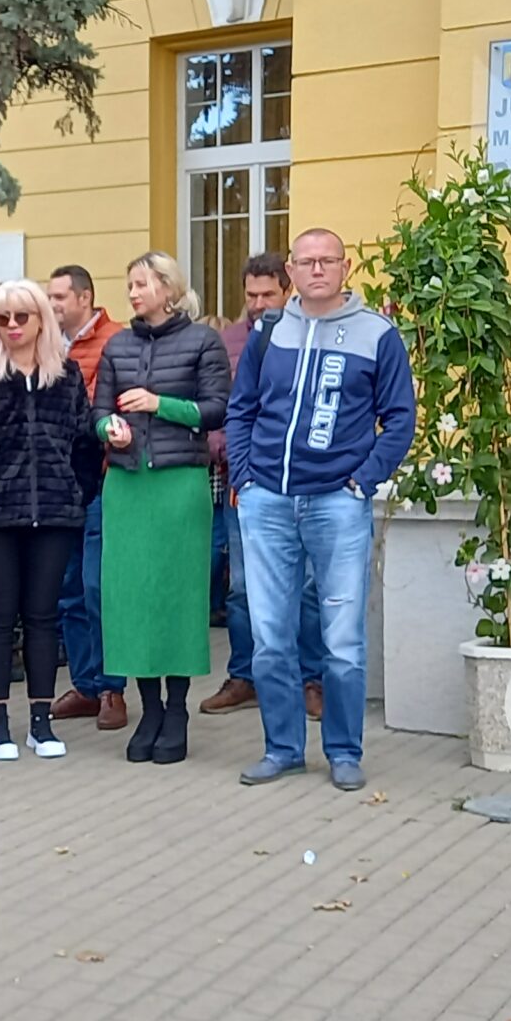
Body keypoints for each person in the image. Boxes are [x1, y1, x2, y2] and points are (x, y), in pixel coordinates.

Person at [228, 228, 416, 789]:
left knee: (342, 642)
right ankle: (283, 749)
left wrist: (363, 480)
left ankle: (344, 752)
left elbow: (399, 419)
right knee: (270, 638)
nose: (316, 270)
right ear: (290, 270)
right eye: (306, 262)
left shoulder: (377, 335)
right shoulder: (268, 331)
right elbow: (242, 408)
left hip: (338, 502)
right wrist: (244, 476)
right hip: (267, 500)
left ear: (345, 266)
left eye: (326, 261)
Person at [0, 279, 99, 762]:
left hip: (54, 513)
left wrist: (76, 492)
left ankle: (40, 721)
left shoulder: (65, 375)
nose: (12, 326)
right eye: (2, 318)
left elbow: (85, 442)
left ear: (40, 320)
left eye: (21, 316)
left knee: (42, 617)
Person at [93, 251, 229, 765]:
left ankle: (176, 711)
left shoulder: (203, 341)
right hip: (128, 485)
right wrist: (109, 428)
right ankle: (148, 708)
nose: (133, 293)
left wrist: (159, 404)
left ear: (169, 289)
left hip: (179, 485)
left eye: (142, 284)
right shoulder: (117, 345)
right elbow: (97, 410)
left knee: (176, 597)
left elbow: (217, 409)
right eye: (130, 284)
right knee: (131, 599)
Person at [202, 251, 326, 721]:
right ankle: (244, 677)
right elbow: (219, 406)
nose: (257, 304)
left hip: (307, 482)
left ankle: (310, 680)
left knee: (309, 586)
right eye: (250, 295)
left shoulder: (312, 333)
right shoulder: (230, 341)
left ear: (287, 290)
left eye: (267, 294)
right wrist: (231, 458)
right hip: (247, 484)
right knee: (241, 589)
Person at [44, 264, 127, 731]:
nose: (52, 305)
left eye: (59, 297)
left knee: (99, 588)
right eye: (50, 297)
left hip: (99, 479)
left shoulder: (115, 340)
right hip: (57, 484)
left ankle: (113, 687)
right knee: (69, 587)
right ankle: (86, 684)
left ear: (84, 298)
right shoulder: (47, 345)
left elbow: (102, 406)